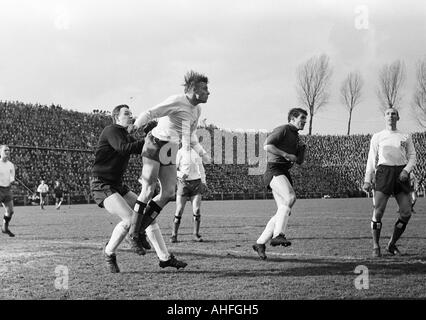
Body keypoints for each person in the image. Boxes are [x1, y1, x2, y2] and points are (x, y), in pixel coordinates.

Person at [130, 70, 211, 270]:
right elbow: (151, 112)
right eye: (205, 88)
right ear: (193, 90)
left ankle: (140, 230)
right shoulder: (177, 100)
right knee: (148, 190)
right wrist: (136, 125)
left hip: (170, 149)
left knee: (168, 193)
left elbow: (190, 135)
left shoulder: (197, 110)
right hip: (155, 143)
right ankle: (134, 234)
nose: (209, 92)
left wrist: (202, 153)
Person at [91, 104, 153, 273]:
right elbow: (123, 148)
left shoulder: (125, 134)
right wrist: (148, 139)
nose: (131, 116)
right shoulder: (111, 130)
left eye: (131, 113)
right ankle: (109, 253)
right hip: (101, 184)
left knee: (145, 211)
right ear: (117, 117)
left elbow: (142, 148)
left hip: (117, 185)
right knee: (128, 220)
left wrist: (152, 134)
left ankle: (140, 234)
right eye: (126, 113)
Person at [252, 108, 307, 260]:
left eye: (305, 119)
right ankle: (279, 235)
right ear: (292, 118)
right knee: (290, 198)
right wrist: (285, 154)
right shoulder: (283, 129)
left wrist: (301, 149)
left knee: (283, 210)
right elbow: (267, 145)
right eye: (301, 118)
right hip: (274, 169)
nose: (304, 121)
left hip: (284, 171)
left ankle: (260, 243)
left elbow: (299, 161)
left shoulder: (296, 136)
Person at [362, 108, 416, 258]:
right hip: (384, 173)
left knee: (406, 212)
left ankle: (391, 244)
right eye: (388, 113)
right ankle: (375, 245)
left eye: (393, 113)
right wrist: (367, 179)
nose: (390, 116)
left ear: (398, 117)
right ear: (384, 117)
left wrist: (406, 170)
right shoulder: (378, 136)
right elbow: (372, 159)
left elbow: (412, 156)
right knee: (378, 212)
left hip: (401, 173)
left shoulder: (405, 136)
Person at [171, 146, 207, 243]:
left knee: (197, 209)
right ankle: (174, 235)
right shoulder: (179, 152)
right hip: (183, 183)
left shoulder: (197, 152)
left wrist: (204, 182)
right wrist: (180, 174)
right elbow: (173, 169)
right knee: (179, 211)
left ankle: (196, 234)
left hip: (196, 183)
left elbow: (201, 169)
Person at [0, 145, 16, 237]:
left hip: (7, 189)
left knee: (10, 211)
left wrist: (12, 180)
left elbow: (11, 177)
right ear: (0, 152)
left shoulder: (11, 165)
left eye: (9, 150)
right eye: (5, 150)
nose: (7, 152)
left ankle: (5, 228)